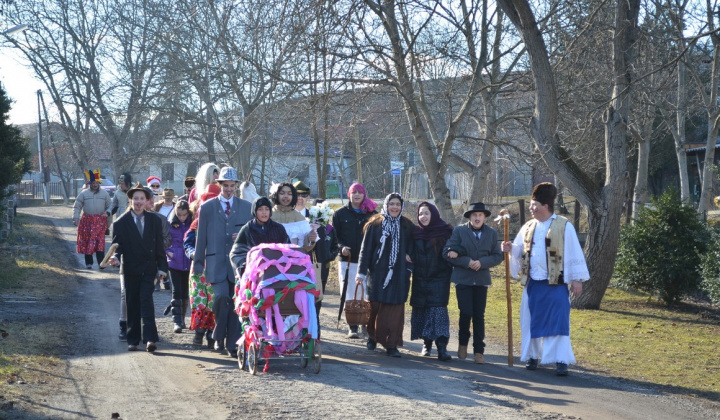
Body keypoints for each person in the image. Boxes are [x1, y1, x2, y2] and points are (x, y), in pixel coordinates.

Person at [501, 182, 589, 376]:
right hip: (533, 284)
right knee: (530, 320)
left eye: (534, 205)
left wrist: (576, 279)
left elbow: (573, 251)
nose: (531, 208)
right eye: (531, 204)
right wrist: (509, 249)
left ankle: (560, 360)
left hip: (555, 283)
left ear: (545, 206)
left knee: (558, 321)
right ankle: (533, 356)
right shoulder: (528, 226)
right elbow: (519, 250)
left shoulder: (563, 225)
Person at [193, 167, 251, 358]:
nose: (228, 189)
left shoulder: (245, 207)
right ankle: (218, 335)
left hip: (238, 264)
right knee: (220, 298)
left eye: (232, 186)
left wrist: (241, 236)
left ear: (236, 186)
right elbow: (200, 237)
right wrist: (198, 262)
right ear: (219, 185)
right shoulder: (208, 207)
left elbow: (251, 236)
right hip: (215, 262)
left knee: (236, 303)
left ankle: (232, 343)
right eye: (225, 186)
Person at [108, 183, 168, 353]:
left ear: (147, 200)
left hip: (149, 268)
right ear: (130, 200)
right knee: (132, 302)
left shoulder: (155, 221)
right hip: (131, 269)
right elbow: (117, 246)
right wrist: (115, 258)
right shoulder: (121, 222)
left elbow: (159, 247)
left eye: (142, 199)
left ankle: (150, 339)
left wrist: (162, 268)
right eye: (136, 199)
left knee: (146, 300)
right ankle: (133, 340)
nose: (139, 202)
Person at [443, 202, 503, 364]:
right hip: (463, 279)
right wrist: (467, 261)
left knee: (478, 315)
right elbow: (447, 253)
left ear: (484, 217)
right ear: (469, 217)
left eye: (480, 215)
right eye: (474, 215)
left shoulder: (491, 233)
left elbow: (498, 256)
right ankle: (463, 343)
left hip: (481, 279)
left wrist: (482, 262)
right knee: (466, 311)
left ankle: (479, 351)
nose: (477, 218)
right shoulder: (459, 231)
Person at [355, 193, 414, 357]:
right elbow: (365, 250)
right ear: (386, 205)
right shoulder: (374, 225)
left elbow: (414, 248)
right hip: (377, 274)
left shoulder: (407, 226)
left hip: (399, 275)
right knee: (375, 308)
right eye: (392, 204)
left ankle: (391, 344)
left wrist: (409, 261)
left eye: (398, 204)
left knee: (395, 310)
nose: (395, 207)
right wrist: (361, 272)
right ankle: (373, 337)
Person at [332, 182, 377, 338]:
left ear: (364, 194)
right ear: (349, 194)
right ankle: (352, 326)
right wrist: (341, 247)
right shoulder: (339, 214)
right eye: (354, 192)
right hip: (347, 260)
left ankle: (366, 323)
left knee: (366, 292)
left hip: (367, 261)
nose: (357, 195)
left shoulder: (372, 213)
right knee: (350, 292)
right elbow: (334, 237)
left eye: (360, 192)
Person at [411, 202, 454, 361]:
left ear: (434, 214)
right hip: (420, 278)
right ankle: (426, 344)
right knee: (423, 311)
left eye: (426, 213)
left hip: (439, 278)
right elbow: (410, 251)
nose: (423, 217)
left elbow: (452, 249)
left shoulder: (445, 231)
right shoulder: (416, 233)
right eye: (421, 214)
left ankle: (442, 348)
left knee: (438, 312)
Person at [184, 184, 222, 349]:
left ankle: (212, 335)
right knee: (200, 301)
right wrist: (193, 253)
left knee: (215, 301)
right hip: (199, 269)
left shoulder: (224, 223)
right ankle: (199, 332)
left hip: (218, 268)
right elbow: (188, 242)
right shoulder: (196, 223)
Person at [230, 196, 290, 272]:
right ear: (254, 211)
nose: (264, 212)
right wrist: (245, 265)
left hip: (277, 271)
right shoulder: (247, 229)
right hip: (254, 272)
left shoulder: (279, 228)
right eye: (260, 209)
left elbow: (288, 249)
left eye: (267, 209)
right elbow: (236, 253)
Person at [73, 169, 113, 269]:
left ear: (99, 183)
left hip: (100, 222)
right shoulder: (83, 194)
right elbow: (77, 206)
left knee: (100, 243)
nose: (95, 184)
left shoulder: (104, 194)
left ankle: (101, 263)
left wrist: (108, 219)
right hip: (87, 222)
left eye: (96, 183)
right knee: (88, 242)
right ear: (90, 183)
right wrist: (76, 218)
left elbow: (110, 207)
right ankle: (89, 263)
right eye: (93, 183)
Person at [165, 200, 193, 333]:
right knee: (176, 290)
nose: (182, 217)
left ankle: (182, 320)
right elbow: (163, 240)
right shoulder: (170, 224)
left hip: (188, 261)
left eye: (184, 215)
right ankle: (176, 321)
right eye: (179, 215)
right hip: (174, 261)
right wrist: (168, 252)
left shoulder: (192, 224)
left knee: (185, 291)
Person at [269, 182, 317, 251]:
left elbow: (305, 247)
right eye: (282, 193)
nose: (286, 196)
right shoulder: (268, 215)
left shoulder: (300, 218)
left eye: (289, 194)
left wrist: (311, 239)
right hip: (271, 259)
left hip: (294, 259)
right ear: (276, 194)